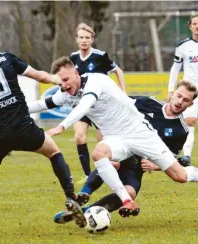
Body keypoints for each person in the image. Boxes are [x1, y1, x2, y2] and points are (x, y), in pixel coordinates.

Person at [27, 56, 198, 228]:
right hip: (117, 138)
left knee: (180, 176)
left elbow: (86, 104)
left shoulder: (95, 81)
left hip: (141, 135)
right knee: (100, 154)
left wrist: (62, 126)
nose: (63, 85)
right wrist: (11, 110)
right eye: (59, 82)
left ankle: (195, 174)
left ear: (76, 74)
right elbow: (42, 104)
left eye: (65, 80)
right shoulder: (65, 93)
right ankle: (121, 200)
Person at [0, 27, 87, 237]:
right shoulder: (6, 59)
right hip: (24, 126)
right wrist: (58, 80)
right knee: (54, 152)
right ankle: (71, 197)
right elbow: (39, 76)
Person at [53, 81, 194, 224]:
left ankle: (84, 212)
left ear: (190, 105)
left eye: (186, 100)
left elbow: (172, 159)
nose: (180, 101)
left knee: (130, 193)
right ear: (172, 94)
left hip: (136, 166)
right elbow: (116, 105)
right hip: (122, 149)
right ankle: (83, 194)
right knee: (111, 162)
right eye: (179, 96)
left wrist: (154, 165)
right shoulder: (146, 102)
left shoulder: (181, 130)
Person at [70, 23, 125, 182]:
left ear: (92, 40)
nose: (84, 40)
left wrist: (123, 92)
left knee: (103, 143)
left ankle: (108, 172)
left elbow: (118, 71)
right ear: (77, 39)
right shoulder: (72, 58)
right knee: (79, 137)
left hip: (102, 106)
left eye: (87, 37)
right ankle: (88, 175)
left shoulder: (100, 56)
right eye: (81, 37)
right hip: (82, 104)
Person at [168, 14, 198, 164]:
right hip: (191, 93)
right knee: (190, 123)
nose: (197, 26)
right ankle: (186, 156)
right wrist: (170, 90)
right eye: (195, 23)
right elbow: (175, 69)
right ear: (190, 26)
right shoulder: (183, 46)